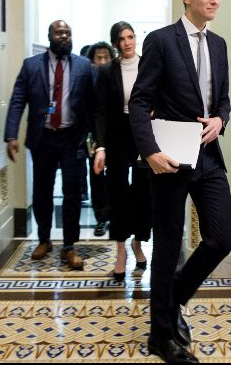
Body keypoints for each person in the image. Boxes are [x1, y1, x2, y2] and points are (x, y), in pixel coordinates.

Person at [129, 0, 231, 364]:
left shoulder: (220, 45)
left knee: (220, 239)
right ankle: (161, 337)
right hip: (169, 160)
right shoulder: (160, 41)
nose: (215, 0)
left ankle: (171, 303)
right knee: (168, 247)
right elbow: (139, 102)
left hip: (209, 157)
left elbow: (223, 100)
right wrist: (150, 152)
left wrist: (221, 119)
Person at [4, 20, 93, 268]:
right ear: (49, 36)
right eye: (59, 32)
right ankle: (44, 239)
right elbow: (17, 100)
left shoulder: (84, 66)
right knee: (42, 191)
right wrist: (11, 135)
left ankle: (69, 246)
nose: (64, 36)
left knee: (72, 193)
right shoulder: (31, 66)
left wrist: (96, 142)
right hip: (43, 138)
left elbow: (94, 106)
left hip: (72, 139)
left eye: (67, 32)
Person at [92, 22, 152, 282]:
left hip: (143, 135)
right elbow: (101, 110)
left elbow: (160, 96)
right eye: (122, 38)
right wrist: (101, 146)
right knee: (118, 193)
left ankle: (138, 243)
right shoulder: (107, 71)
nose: (128, 42)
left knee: (143, 192)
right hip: (117, 137)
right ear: (115, 43)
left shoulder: (149, 65)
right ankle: (120, 252)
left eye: (131, 37)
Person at [84, 41, 116, 237]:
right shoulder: (86, 78)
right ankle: (101, 218)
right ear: (92, 60)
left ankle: (115, 216)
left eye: (106, 57)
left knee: (114, 178)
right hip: (93, 137)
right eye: (99, 58)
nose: (103, 61)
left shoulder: (115, 77)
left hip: (114, 136)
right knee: (96, 179)